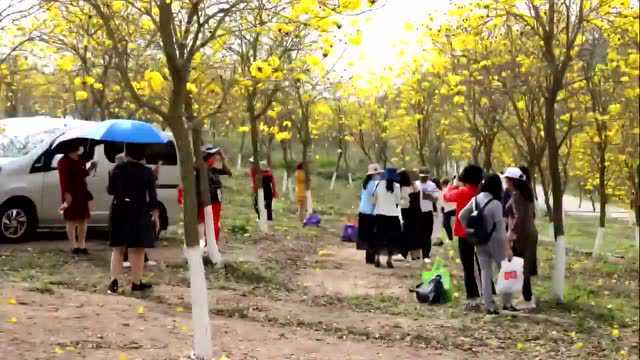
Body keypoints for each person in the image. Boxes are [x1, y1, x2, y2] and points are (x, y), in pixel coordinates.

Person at [107, 143, 159, 293]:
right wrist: (156, 215)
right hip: (139, 211)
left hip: (119, 210)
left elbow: (111, 191)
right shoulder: (147, 172)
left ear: (126, 153)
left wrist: (110, 177)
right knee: (137, 248)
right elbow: (153, 197)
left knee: (118, 248)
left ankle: (114, 282)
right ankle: (136, 283)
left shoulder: (117, 169)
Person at [460, 174, 515, 315]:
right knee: (506, 271)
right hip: (496, 241)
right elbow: (501, 228)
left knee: (485, 272)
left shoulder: (475, 200)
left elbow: (461, 216)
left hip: (479, 241)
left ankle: (489, 305)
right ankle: (507, 303)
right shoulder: (496, 204)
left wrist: (469, 230)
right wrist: (507, 247)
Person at [443, 164, 484, 307]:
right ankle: (489, 293)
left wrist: (452, 185)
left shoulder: (462, 192)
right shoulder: (482, 193)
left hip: (464, 233)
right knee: (483, 266)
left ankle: (473, 297)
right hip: (481, 233)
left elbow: (446, 197)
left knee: (468, 267)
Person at [504, 166, 538, 310]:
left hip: (522, 236)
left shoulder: (517, 195)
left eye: (507, 180)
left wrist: (511, 234)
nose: (505, 183)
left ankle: (528, 299)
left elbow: (519, 217)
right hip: (529, 233)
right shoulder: (526, 194)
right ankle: (526, 296)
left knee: (521, 268)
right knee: (525, 267)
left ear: (513, 181)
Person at [57, 142, 96, 255]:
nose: (78, 152)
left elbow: (83, 174)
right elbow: (63, 181)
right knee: (71, 220)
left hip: (81, 192)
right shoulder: (63, 162)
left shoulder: (78, 160)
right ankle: (74, 246)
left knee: (83, 219)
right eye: (76, 150)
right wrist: (67, 195)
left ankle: (82, 245)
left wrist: (91, 167)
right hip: (70, 193)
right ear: (71, 150)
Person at [198, 145, 232, 245]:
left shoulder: (213, 170)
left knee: (214, 224)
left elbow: (228, 172)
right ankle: (206, 244)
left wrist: (223, 158)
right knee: (205, 224)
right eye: (213, 157)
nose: (215, 159)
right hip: (206, 201)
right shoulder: (201, 169)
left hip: (216, 201)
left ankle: (212, 245)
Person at [372, 168, 402, 268]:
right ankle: (389, 260)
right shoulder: (397, 186)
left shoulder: (378, 184)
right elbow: (398, 202)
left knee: (379, 238)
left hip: (380, 215)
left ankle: (377, 258)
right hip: (393, 216)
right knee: (391, 239)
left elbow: (374, 200)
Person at [357, 163, 383, 265]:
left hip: (363, 212)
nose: (379, 175)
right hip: (371, 213)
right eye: (377, 174)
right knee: (373, 236)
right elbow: (375, 199)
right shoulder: (375, 184)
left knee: (367, 237)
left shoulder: (365, 183)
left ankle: (369, 257)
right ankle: (371, 257)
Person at [418, 169, 440, 264]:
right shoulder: (415, 184)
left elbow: (435, 199)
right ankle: (414, 253)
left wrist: (423, 194)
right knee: (418, 233)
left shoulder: (432, 185)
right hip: (417, 212)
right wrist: (427, 196)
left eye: (426, 176)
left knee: (427, 234)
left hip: (428, 212)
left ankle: (426, 255)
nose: (424, 177)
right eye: (422, 176)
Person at [399, 169, 421, 261]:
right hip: (415, 210)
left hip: (405, 211)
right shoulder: (413, 185)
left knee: (407, 231)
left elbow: (400, 201)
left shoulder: (400, 188)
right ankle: (415, 254)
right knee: (415, 231)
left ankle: (404, 253)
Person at [439, 178, 457, 242]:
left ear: (443, 184)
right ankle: (451, 238)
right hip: (454, 208)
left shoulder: (445, 190)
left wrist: (441, 208)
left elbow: (442, 200)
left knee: (445, 224)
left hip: (448, 209)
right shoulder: (452, 188)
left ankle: (450, 238)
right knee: (447, 224)